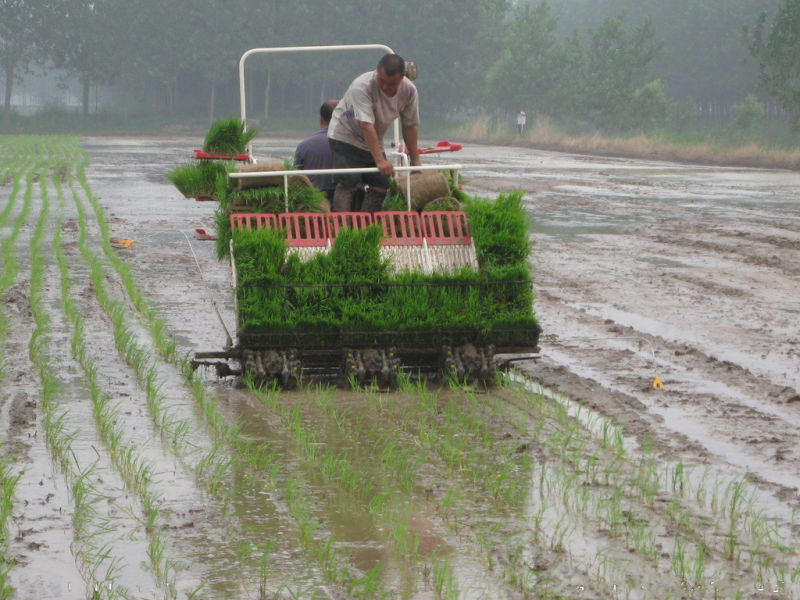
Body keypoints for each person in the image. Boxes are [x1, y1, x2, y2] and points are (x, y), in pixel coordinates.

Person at [327, 53, 421, 212]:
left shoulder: (410, 91)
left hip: (374, 139)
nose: (385, 87)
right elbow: (366, 124)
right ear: (377, 71)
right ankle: (342, 225)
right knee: (347, 182)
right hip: (346, 135)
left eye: (391, 84)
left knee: (381, 185)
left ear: (401, 78)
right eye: (382, 81)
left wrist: (415, 160)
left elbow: (409, 125)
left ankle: (368, 223)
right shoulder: (362, 86)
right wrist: (380, 160)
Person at [294, 99, 339, 202]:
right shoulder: (354, 145)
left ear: (321, 119)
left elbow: (295, 178)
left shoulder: (304, 146)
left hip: (313, 201)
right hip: (349, 203)